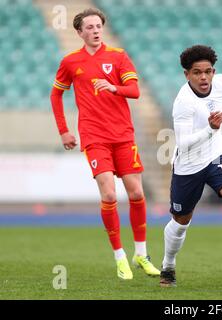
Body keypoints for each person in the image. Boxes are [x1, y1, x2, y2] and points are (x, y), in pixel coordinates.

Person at [50, 8, 160, 280]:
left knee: (136, 193)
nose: (96, 30)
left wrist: (115, 88)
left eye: (99, 26)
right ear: (79, 32)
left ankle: (141, 254)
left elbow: (134, 91)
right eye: (89, 27)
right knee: (109, 195)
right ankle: (120, 256)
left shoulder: (118, 56)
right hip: (94, 136)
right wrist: (64, 131)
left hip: (123, 135)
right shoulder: (70, 62)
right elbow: (56, 95)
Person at [159, 45, 222, 287]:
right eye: (197, 72)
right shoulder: (183, 102)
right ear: (187, 75)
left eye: (208, 71)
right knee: (180, 222)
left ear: (213, 71)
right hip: (188, 165)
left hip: (216, 155)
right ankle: (168, 265)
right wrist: (210, 129)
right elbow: (183, 144)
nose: (204, 77)